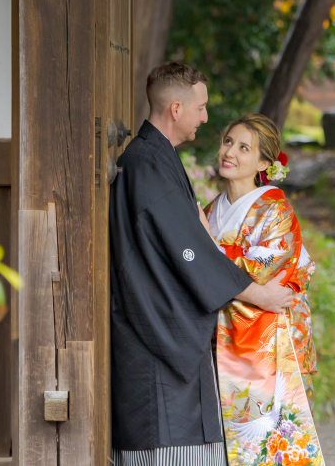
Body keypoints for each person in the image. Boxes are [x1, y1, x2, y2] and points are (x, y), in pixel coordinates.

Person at [109, 63, 294, 466]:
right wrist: (258, 292)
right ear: (176, 108)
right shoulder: (148, 163)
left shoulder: (156, 158)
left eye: (243, 147)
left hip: (188, 331)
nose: (206, 118)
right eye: (201, 107)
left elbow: (195, 247)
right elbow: (187, 251)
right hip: (159, 328)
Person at [202, 114, 324, 466]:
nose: (230, 152)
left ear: (263, 163)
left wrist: (207, 246)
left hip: (271, 343)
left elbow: (259, 272)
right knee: (230, 447)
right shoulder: (212, 211)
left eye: (244, 147)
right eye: (228, 142)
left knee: (275, 445)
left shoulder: (275, 209)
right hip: (222, 340)